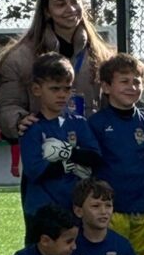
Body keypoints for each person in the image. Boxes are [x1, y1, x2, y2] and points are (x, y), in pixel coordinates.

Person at [0, 0, 112, 140]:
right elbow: (8, 106)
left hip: (91, 147)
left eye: (75, 1)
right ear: (47, 11)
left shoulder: (102, 56)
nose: (70, 9)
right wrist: (19, 121)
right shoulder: (18, 58)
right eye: (60, 4)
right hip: (46, 146)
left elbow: (112, 105)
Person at [88, 53, 144, 255]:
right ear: (106, 87)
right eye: (124, 81)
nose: (132, 87)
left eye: (136, 81)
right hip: (110, 209)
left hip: (140, 209)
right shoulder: (96, 124)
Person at [19, 53, 102, 218]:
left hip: (74, 208)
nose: (62, 94)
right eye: (55, 89)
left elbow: (95, 157)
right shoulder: (31, 127)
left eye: (67, 88)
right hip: (41, 210)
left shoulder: (79, 123)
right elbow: (36, 171)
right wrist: (70, 163)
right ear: (37, 89)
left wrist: (67, 152)